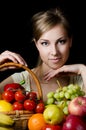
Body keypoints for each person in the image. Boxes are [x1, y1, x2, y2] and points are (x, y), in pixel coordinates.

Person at [0, 8, 86, 102]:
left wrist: (83, 69)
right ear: (36, 44)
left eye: (61, 41)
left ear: (70, 41)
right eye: (45, 43)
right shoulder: (21, 80)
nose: (54, 52)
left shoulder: (82, 82)